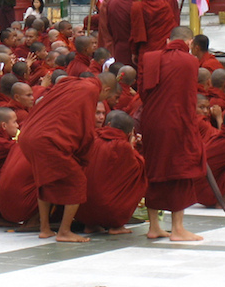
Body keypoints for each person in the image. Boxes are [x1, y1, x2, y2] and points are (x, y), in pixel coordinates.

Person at [18, 73, 117, 242]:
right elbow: (84, 124)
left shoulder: (72, 83)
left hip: (28, 134)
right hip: (47, 139)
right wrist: (84, 151)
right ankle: (64, 232)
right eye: (107, 96)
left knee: (46, 180)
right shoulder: (90, 89)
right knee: (77, 180)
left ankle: (45, 229)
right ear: (106, 89)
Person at [140, 37, 205, 241]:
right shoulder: (190, 61)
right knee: (180, 170)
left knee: (154, 170)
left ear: (167, 40)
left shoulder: (149, 57)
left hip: (151, 120)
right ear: (189, 42)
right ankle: (177, 229)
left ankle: (154, 227)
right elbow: (188, 97)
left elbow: (143, 91)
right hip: (176, 122)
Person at [75, 110, 147, 234]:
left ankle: (90, 226)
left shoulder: (92, 137)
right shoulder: (122, 146)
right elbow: (139, 167)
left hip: (81, 210)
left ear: (107, 124)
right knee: (140, 177)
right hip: (109, 211)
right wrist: (133, 147)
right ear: (130, 133)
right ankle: (116, 226)